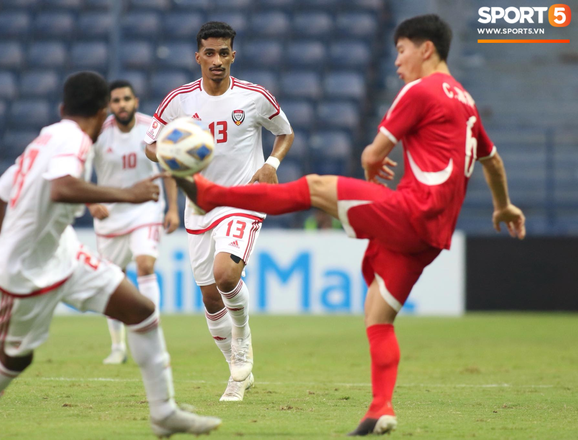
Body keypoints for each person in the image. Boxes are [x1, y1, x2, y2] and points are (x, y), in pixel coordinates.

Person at [173, 15, 526, 436]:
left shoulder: (420, 89)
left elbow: (372, 154)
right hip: (434, 236)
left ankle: (213, 195)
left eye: (401, 51)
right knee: (377, 314)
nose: (397, 63)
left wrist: (373, 162)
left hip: (412, 211)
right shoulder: (467, 101)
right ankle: (381, 409)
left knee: (316, 187)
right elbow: (493, 160)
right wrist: (503, 206)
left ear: (425, 50)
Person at [0, 72, 221, 439]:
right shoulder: (73, 139)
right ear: (104, 111)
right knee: (16, 358)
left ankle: (164, 412)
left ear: (63, 108)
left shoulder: (47, 137)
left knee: (140, 310)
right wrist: (127, 195)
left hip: (63, 252)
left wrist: (0, 252)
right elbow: (61, 188)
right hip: (22, 276)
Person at [144, 21, 295, 402]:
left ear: (233, 55)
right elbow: (150, 143)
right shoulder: (179, 100)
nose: (216, 60)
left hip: (242, 199)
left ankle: (242, 338)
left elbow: (285, 132)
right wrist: (171, 154)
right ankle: (237, 373)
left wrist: (271, 166)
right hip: (200, 204)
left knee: (225, 274)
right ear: (197, 57)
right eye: (209, 53)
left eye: (223, 52)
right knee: (211, 298)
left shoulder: (255, 97)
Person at [87, 80, 180, 365]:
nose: (122, 105)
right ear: (109, 106)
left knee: (145, 265)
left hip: (147, 209)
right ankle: (117, 347)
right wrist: (91, 202)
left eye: (126, 99)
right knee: (113, 279)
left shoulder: (151, 128)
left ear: (135, 101)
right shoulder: (98, 134)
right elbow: (77, 171)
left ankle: (153, 338)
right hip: (111, 214)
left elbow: (171, 167)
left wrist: (173, 209)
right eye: (116, 101)